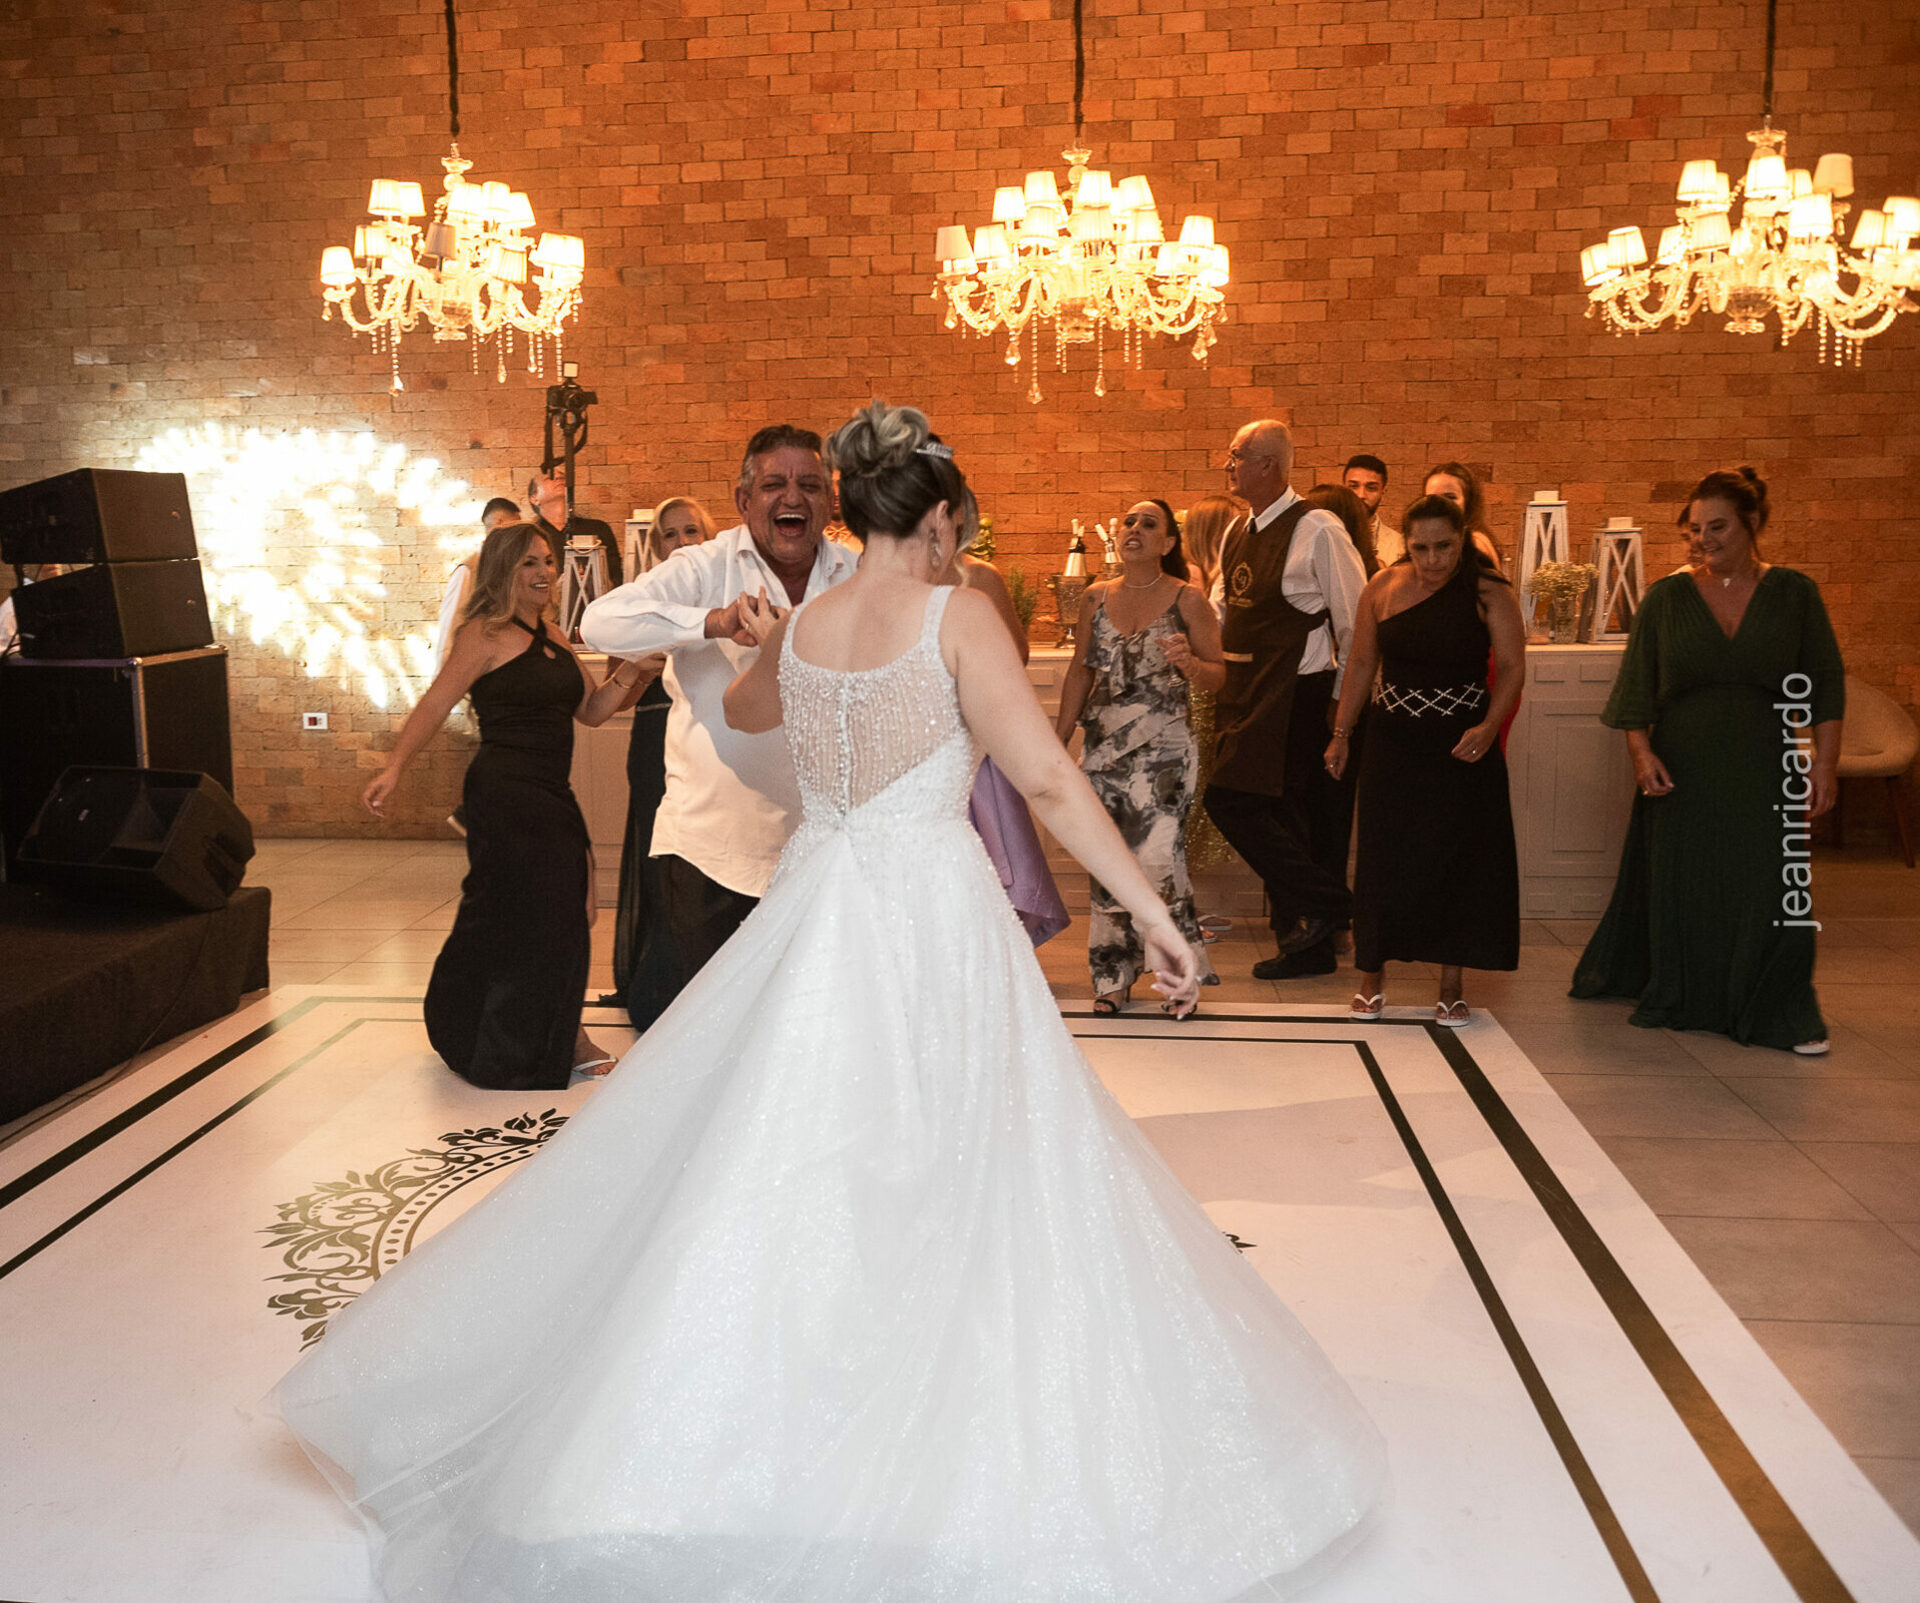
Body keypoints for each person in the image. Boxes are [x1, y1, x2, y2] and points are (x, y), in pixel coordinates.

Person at [275, 401, 1386, 1602]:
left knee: (788, 1145)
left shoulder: (808, 627)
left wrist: (759, 644)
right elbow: (1049, 780)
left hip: (817, 899)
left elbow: (750, 712)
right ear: (940, 516)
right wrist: (1157, 916)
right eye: (959, 520)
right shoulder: (958, 614)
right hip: (929, 912)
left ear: (854, 505)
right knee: (956, 1148)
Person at [579, 425, 855, 1031]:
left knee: (805, 1025)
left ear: (830, 501)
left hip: (823, 851)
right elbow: (600, 622)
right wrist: (711, 622)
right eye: (774, 484)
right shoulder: (703, 567)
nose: (793, 497)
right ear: (744, 499)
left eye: (810, 485)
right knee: (707, 1030)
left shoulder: (856, 575)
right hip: (711, 849)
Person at [1572, 467, 1843, 1054]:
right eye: (1695, 529)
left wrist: (1824, 764)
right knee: (1690, 887)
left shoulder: (1795, 594)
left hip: (1767, 763)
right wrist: (1641, 753)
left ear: (1752, 523)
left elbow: (1825, 683)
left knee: (1774, 887)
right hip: (1684, 767)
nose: (1703, 539)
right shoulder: (1667, 598)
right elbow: (1637, 686)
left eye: (1716, 527)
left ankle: (1781, 1009)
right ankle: (1691, 995)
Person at [363, 522, 643, 1086]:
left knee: (573, 910)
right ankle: (551, 1037)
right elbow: (436, 703)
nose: (545, 573)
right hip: (505, 793)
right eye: (529, 564)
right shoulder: (483, 634)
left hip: (550, 791)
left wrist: (634, 673)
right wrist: (395, 765)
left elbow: (592, 712)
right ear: (503, 572)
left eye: (547, 561)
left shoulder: (554, 635)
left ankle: (542, 1028)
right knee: (530, 913)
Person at [1327, 495, 1525, 1025]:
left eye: (1445, 547)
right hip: (1393, 741)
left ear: (1462, 540)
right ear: (1406, 544)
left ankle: (1451, 985)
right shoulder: (1382, 587)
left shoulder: (1489, 591)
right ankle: (1372, 977)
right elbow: (1361, 661)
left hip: (1462, 744)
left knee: (1455, 859)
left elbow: (1512, 667)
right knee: (1383, 857)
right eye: (1421, 548)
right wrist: (1341, 734)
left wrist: (1489, 727)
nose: (1433, 559)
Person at [1204, 419, 1368, 979]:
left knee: (1246, 804)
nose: (1228, 465)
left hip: (1301, 693)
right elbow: (1221, 614)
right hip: (1245, 691)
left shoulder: (1318, 527)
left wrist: (1341, 706)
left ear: (1268, 464)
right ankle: (1317, 929)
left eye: (1236, 455)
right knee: (1268, 813)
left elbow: (1355, 623)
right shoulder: (1236, 530)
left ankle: (1322, 920)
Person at [1056, 499, 1224, 1011]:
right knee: (1108, 860)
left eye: (1148, 524)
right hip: (1105, 749)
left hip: (1166, 748)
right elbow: (1080, 672)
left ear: (1168, 543)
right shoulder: (1094, 597)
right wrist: (1057, 740)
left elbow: (1218, 675)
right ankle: (1112, 975)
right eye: (1129, 521)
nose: (1134, 529)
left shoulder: (1188, 599)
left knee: (1158, 862)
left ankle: (1177, 977)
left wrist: (1190, 665)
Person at [943, 487, 1071, 946]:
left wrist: (969, 675)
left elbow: (1016, 652)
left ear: (963, 516)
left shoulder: (981, 576)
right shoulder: (894, 580)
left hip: (972, 732)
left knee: (988, 852)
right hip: (913, 743)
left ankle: (989, 949)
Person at [610, 496, 716, 1014]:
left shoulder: (726, 596)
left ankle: (708, 977)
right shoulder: (641, 603)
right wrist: (640, 667)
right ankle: (660, 982)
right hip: (655, 741)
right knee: (661, 862)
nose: (681, 542)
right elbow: (617, 698)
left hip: (712, 745)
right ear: (656, 547)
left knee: (706, 861)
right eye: (670, 535)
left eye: (690, 531)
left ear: (708, 537)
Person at [1174, 493, 1244, 877]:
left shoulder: (1213, 573)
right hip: (1196, 691)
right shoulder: (1194, 575)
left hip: (1205, 688)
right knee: (1190, 789)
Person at [529, 466, 622, 586]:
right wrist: (555, 589)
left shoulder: (598, 528)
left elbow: (617, 578)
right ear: (534, 499)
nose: (559, 478)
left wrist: (597, 584)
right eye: (549, 478)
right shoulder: (530, 535)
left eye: (562, 477)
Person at [1422, 460, 1501, 568]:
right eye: (1432, 499)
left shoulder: (1472, 544)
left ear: (1468, 501)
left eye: (1450, 497)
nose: (1440, 505)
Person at [1343, 453, 1397, 565]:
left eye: (1371, 488)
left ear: (1383, 491)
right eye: (1353, 486)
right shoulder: (1327, 535)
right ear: (1343, 488)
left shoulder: (1398, 545)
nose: (1361, 495)